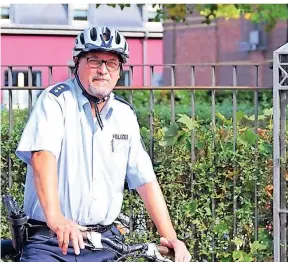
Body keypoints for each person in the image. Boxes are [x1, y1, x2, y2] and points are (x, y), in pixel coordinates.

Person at [15, 25, 191, 262]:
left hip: (103, 243)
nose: (103, 70)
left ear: (119, 70)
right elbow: (42, 157)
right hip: (51, 241)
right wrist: (56, 219)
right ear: (77, 63)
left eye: (112, 63)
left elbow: (145, 179)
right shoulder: (55, 101)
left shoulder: (124, 115)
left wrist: (170, 237)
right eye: (95, 61)